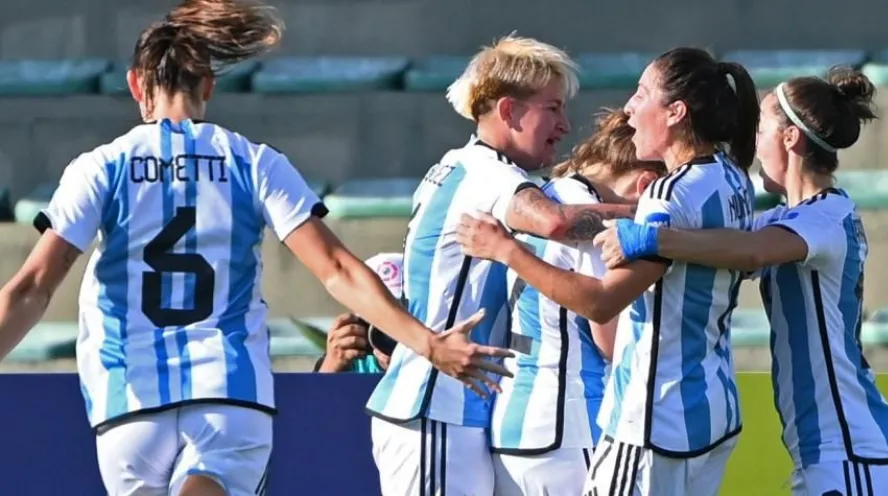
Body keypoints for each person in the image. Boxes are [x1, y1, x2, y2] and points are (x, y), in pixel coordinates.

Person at [0, 1, 512, 495]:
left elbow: (33, 287)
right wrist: (428, 343)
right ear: (208, 85)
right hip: (229, 393)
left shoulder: (101, 167)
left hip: (128, 398)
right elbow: (336, 269)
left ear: (137, 84)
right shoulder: (253, 161)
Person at [595, 67, 888, 496]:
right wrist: (580, 214)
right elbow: (721, 238)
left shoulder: (823, 218)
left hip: (852, 449)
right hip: (833, 451)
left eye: (761, 128)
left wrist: (652, 237)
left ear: (789, 139)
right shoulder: (792, 217)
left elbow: (751, 252)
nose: (753, 143)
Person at [457, 47, 760, 496]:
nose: (629, 110)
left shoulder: (666, 195)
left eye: (640, 95)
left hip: (653, 417)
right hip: (714, 407)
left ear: (675, 112)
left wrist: (508, 251)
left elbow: (602, 303)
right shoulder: (733, 179)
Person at [365, 35, 637, 496]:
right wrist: (664, 220)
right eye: (553, 108)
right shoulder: (489, 174)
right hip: (436, 401)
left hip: (451, 402)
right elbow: (552, 222)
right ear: (509, 111)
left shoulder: (458, 167)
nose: (565, 125)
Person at [489, 108, 666, 496]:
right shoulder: (595, 227)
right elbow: (610, 340)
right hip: (569, 425)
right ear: (647, 183)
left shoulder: (551, 196)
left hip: (515, 424)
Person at [315, 252, 402, 374]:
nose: (391, 333)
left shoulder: (432, 353)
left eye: (401, 316)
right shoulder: (352, 361)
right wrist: (332, 364)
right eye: (376, 317)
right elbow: (316, 392)